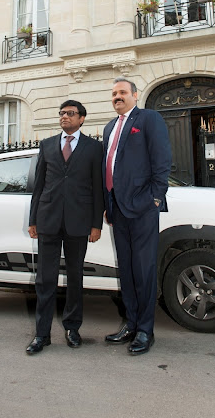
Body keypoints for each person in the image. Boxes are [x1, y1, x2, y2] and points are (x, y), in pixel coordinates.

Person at [26, 100, 104, 355]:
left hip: (78, 221)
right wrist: (33, 220)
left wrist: (96, 224)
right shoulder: (47, 145)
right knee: (45, 279)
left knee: (74, 277)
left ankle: (72, 328)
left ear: (82, 119)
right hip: (48, 220)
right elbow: (38, 185)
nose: (64, 117)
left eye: (70, 114)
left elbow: (98, 189)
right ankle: (42, 334)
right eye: (61, 113)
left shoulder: (94, 148)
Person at [103, 77, 172, 355]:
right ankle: (130, 324)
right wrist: (108, 204)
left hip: (143, 208)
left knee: (143, 271)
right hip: (117, 209)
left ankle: (145, 330)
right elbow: (108, 167)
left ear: (134, 94)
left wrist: (154, 199)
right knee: (128, 271)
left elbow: (162, 160)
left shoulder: (148, 119)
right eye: (114, 94)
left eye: (122, 92)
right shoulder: (110, 127)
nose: (117, 97)